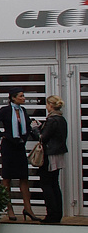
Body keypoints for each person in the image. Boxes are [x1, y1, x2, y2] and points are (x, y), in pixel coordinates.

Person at [0, 89, 39, 221]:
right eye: (21, 96)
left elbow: (27, 126)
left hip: (20, 146)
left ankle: (28, 208)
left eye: (23, 95)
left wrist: (31, 131)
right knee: (7, 178)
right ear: (13, 98)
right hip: (8, 147)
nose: (24, 98)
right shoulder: (5, 110)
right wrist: (1, 136)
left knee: (23, 177)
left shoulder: (23, 111)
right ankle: (9, 208)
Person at [37, 95, 68, 224]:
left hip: (49, 155)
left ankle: (51, 215)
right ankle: (57, 214)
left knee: (46, 184)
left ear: (50, 105)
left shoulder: (52, 120)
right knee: (55, 184)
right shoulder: (61, 119)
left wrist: (35, 129)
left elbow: (43, 138)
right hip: (58, 153)